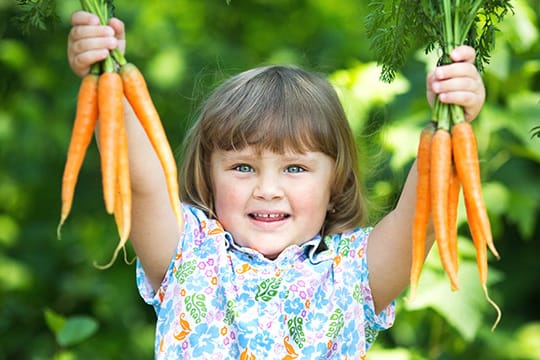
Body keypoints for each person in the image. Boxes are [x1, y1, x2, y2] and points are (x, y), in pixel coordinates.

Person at [67, 10, 486, 359]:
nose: (267, 188)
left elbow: (426, 217)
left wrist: (455, 117)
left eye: (295, 169)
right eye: (243, 168)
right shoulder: (188, 254)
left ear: (335, 184)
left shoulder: (353, 273)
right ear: (209, 176)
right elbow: (142, 184)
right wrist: (107, 75)